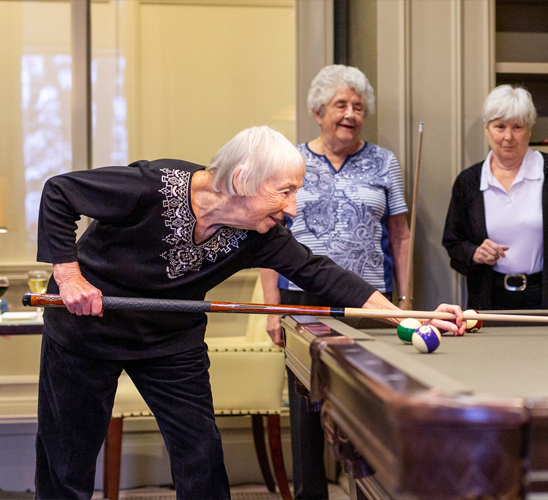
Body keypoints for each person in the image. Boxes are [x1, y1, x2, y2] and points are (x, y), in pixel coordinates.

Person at [34, 126, 465, 500]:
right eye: (285, 192)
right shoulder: (152, 185)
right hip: (85, 332)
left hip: (169, 341)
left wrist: (408, 318)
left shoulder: (259, 235)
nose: (292, 208)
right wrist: (70, 278)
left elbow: (321, 274)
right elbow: (59, 193)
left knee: (201, 458)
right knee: (66, 464)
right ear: (242, 180)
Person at [259, 65, 415, 500]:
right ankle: (311, 493)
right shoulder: (290, 160)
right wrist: (272, 304)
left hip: (367, 298)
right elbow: (268, 233)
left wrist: (402, 298)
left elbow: (400, 234)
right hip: (299, 296)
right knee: (306, 405)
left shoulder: (385, 161)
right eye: (340, 105)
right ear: (317, 111)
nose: (350, 114)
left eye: (358, 107)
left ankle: (367, 491)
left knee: (365, 401)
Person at [442, 85, 548, 311]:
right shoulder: (468, 182)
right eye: (500, 126)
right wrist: (475, 253)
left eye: (517, 127)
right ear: (486, 128)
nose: (508, 137)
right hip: (490, 299)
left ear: (529, 130)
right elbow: (453, 242)